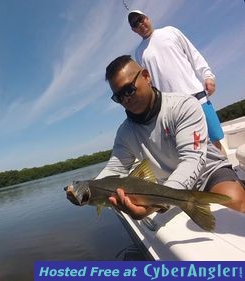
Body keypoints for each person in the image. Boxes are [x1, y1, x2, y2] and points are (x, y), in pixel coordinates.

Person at [97, 55, 244, 220]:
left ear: (146, 77)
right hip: (165, 189)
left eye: (129, 90)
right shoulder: (124, 134)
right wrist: (87, 189)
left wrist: (157, 203)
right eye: (119, 97)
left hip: (208, 173)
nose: (126, 99)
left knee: (235, 208)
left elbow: (192, 160)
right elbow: (114, 169)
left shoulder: (183, 106)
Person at [127, 10, 225, 150]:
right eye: (135, 24)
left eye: (141, 19)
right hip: (174, 110)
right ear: (133, 30)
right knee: (192, 150)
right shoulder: (139, 53)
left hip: (197, 98)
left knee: (216, 143)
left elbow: (193, 54)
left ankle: (228, 170)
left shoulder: (170, 31)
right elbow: (148, 85)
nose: (140, 24)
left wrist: (208, 76)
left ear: (147, 18)